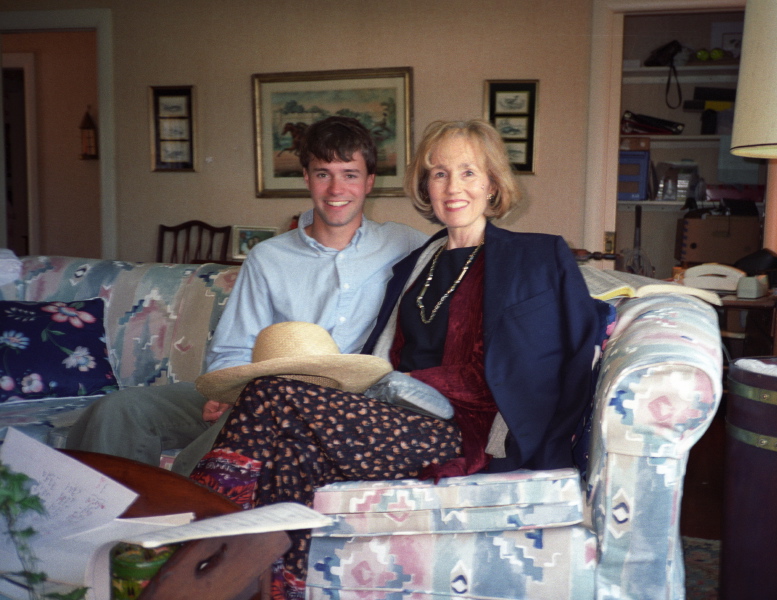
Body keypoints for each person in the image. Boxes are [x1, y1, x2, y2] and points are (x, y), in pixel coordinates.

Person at [189, 119, 614, 598]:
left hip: (473, 434)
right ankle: (280, 587)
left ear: (493, 183)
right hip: (401, 417)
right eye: (439, 174)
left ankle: (197, 539)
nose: (453, 188)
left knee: (271, 391)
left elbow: (568, 359)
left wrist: (546, 450)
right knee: (291, 452)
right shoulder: (415, 263)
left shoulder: (536, 256)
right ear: (425, 186)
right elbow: (386, 355)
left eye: (469, 173)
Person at [65, 116, 428, 474]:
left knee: (243, 426)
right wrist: (226, 393)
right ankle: (106, 511)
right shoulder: (268, 257)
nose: (336, 189)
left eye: (350, 174)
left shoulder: (405, 245)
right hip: (260, 389)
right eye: (323, 174)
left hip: (342, 404)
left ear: (369, 181)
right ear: (306, 178)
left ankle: (184, 504)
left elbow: (456, 261)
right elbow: (234, 346)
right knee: (118, 410)